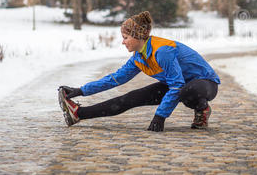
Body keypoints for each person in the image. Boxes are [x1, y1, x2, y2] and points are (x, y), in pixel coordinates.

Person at [58, 11, 220, 132]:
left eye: (126, 37)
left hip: (205, 84)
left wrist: (160, 117)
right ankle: (79, 114)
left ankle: (202, 109)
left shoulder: (162, 51)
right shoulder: (138, 57)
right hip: (179, 85)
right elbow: (114, 79)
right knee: (130, 98)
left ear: (138, 36)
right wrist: (80, 91)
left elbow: (176, 86)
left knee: (186, 91)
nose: (123, 42)